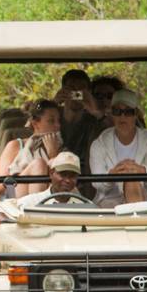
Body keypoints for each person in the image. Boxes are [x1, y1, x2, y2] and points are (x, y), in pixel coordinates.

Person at [88, 88, 147, 208]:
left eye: (128, 112)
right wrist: (112, 176)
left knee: (131, 178)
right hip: (110, 202)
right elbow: (97, 183)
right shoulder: (99, 144)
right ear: (111, 114)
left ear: (136, 114)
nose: (122, 117)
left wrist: (142, 171)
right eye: (117, 111)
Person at [0, 151, 86, 224]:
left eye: (72, 176)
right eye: (63, 174)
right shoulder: (33, 201)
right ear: (51, 174)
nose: (68, 180)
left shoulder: (84, 206)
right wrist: (15, 222)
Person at [0, 99, 63, 197]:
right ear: (35, 124)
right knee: (39, 164)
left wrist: (53, 155)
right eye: (51, 121)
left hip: (54, 198)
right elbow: (0, 187)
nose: (58, 125)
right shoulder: (15, 145)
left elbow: (64, 183)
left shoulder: (61, 149)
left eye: (58, 121)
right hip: (15, 196)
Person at [55, 69, 104, 197]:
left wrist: (95, 110)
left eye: (81, 90)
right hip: (56, 174)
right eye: (71, 89)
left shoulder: (95, 120)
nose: (75, 94)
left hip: (87, 176)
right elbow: (32, 127)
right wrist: (53, 103)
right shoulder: (53, 116)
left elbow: (112, 136)